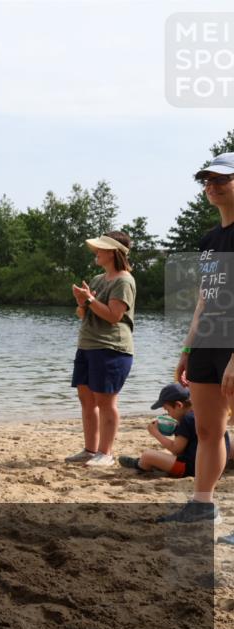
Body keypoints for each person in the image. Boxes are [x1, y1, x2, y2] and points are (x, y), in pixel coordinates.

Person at [162, 152, 234, 524]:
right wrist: (187, 348)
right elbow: (204, 298)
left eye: (222, 178)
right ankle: (203, 505)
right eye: (207, 180)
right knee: (208, 429)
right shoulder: (209, 240)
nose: (212, 185)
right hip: (208, 340)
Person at [63, 231, 136, 467]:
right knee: (86, 400)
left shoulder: (124, 280)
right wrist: (82, 302)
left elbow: (114, 316)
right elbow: (83, 314)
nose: (96, 252)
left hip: (111, 347)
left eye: (101, 248)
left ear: (114, 252)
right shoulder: (97, 279)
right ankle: (90, 450)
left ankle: (106, 453)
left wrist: (91, 301)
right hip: (87, 345)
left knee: (106, 402)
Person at [119, 383, 230, 477]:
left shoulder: (186, 420)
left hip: (192, 469)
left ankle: (139, 464)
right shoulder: (202, 411)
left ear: (178, 405)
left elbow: (176, 450)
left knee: (148, 455)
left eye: (167, 410)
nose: (168, 414)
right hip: (218, 464)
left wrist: (156, 433)